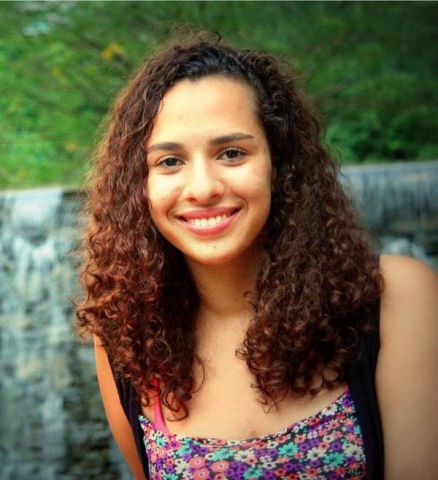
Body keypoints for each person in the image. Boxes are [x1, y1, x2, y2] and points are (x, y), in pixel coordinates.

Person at [76, 35, 437, 480]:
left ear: (279, 165)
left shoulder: (396, 297)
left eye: (231, 153)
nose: (203, 188)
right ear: (139, 185)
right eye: (169, 161)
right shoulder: (127, 335)